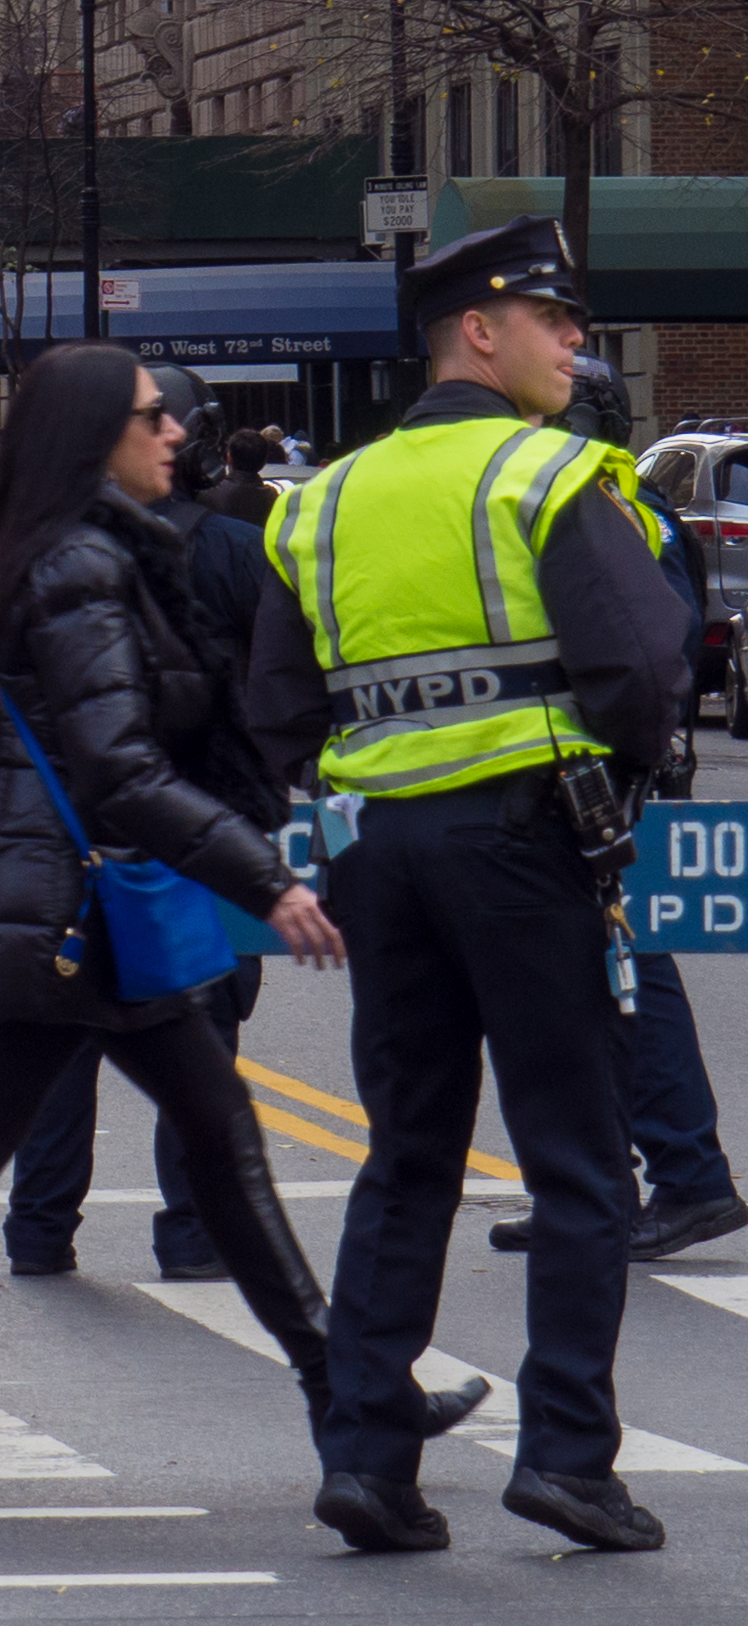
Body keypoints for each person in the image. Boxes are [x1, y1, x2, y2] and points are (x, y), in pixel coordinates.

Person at [0, 343, 372, 1507]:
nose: (174, 432)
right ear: (95, 433)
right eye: (151, 417)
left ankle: (349, 1393)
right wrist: (262, 876)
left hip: (74, 909)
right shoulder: (76, 563)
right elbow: (116, 766)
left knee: (205, 1132)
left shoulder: (78, 548)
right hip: (62, 912)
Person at [249, 216, 693, 1557]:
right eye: (553, 319)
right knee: (575, 1158)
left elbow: (276, 704)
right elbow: (641, 667)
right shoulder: (546, 471)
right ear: (479, 331)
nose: (574, 341)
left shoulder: (320, 499)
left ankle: (365, 1459)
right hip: (526, 844)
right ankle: (564, 1458)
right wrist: (611, 778)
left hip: (377, 851)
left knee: (405, 1154)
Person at [3, 363, 277, 1280]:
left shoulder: (35, 551)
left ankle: (39, 1229)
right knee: (199, 1039)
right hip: (192, 830)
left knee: (58, 1043)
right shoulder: (234, 551)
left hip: (70, 834)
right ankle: (194, 1233)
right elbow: (279, 685)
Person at [476, 357, 747, 1265]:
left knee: (633, 979)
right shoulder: (605, 499)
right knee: (578, 989)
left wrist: (615, 759)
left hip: (599, 782)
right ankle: (595, 1187)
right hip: (584, 775)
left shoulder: (613, 504)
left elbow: (653, 648)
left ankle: (688, 1176)